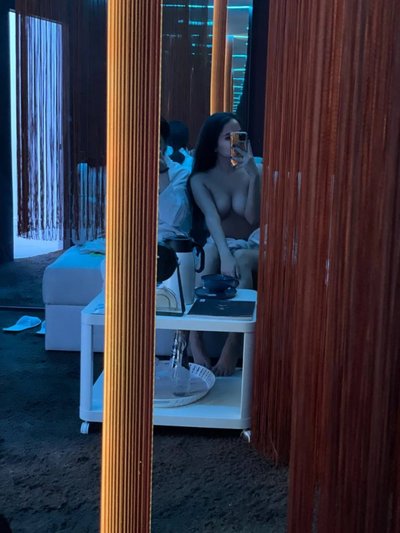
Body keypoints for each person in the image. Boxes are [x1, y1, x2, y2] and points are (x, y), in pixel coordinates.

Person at [189, 112, 261, 376]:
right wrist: (224, 254)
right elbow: (211, 219)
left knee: (240, 259)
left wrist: (254, 176)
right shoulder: (200, 179)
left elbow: (252, 218)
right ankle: (194, 337)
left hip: (254, 243)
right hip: (220, 240)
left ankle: (233, 343)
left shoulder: (253, 171)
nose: (235, 142)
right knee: (210, 253)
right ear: (213, 143)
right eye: (227, 137)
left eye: (239, 135)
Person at [158, 117, 191, 239]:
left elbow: (174, 218)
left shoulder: (180, 173)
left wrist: (162, 173)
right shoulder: (120, 171)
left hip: (163, 239)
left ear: (164, 145)